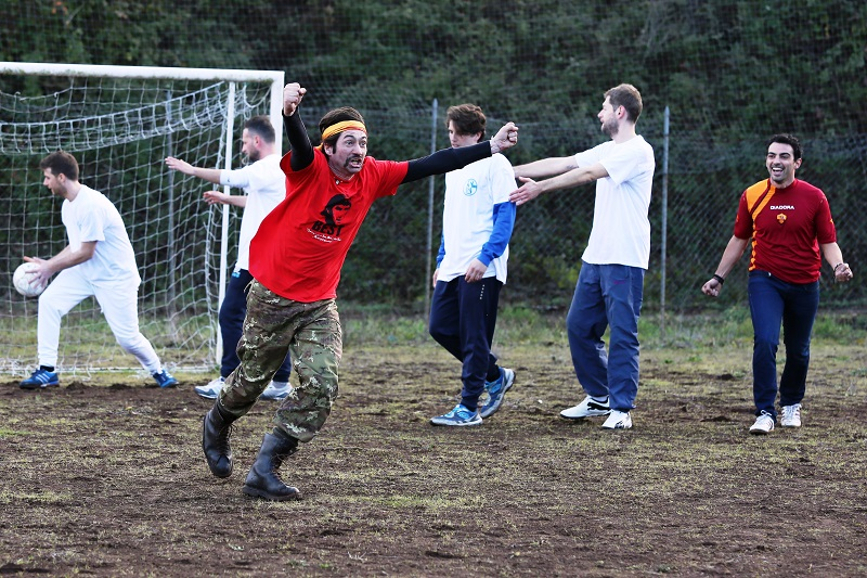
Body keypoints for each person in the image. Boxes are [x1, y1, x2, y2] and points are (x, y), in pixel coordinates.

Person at [200, 82, 518, 501]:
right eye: (349, 141)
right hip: (273, 294)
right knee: (252, 381)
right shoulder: (308, 167)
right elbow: (297, 146)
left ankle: (265, 467)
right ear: (329, 149)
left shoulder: (372, 175)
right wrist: (291, 114)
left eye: (363, 141)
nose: (359, 149)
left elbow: (433, 163)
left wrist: (490, 147)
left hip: (319, 302)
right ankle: (217, 422)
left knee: (323, 384)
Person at [509, 84, 655, 430]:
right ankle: (599, 396)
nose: (600, 113)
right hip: (597, 257)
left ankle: (621, 409)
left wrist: (539, 188)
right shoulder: (609, 148)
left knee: (622, 333)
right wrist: (509, 170)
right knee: (579, 326)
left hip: (625, 258)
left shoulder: (638, 151)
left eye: (604, 107)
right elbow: (566, 162)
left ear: (620, 111)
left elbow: (588, 174)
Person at [701, 134, 853, 435]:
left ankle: (792, 403)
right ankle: (765, 412)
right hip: (765, 278)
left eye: (784, 156)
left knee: (798, 349)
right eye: (771, 156)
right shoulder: (753, 195)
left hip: (806, 282)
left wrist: (838, 266)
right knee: (766, 341)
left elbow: (828, 241)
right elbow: (739, 240)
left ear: (796, 162)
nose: (776, 162)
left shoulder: (815, 197)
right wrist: (718, 277)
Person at [19, 151, 177, 390]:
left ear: (61, 177)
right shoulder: (68, 206)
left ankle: (159, 371)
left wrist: (50, 267)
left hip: (115, 277)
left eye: (47, 177)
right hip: (84, 272)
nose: (45, 183)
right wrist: (48, 265)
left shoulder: (91, 204)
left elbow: (86, 252)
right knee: (49, 301)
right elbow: (76, 246)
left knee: (128, 339)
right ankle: (47, 370)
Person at [165, 116, 292, 402]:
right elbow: (261, 201)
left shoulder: (266, 167)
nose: (243, 146)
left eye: (245, 140)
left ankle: (228, 379)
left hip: (255, 260)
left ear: (257, 141)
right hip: (269, 259)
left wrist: (191, 169)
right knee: (274, 320)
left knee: (230, 314)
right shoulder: (277, 170)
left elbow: (231, 177)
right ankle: (281, 383)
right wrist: (227, 200)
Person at [428, 104, 517, 427]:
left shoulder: (497, 165)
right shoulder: (454, 167)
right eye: (450, 132)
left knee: (474, 337)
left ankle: (468, 408)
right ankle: (495, 374)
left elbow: (506, 216)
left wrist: (485, 256)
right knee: (439, 327)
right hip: (453, 263)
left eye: (459, 133)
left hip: (482, 266)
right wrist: (442, 259)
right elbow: (450, 219)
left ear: (477, 135)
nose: (452, 139)